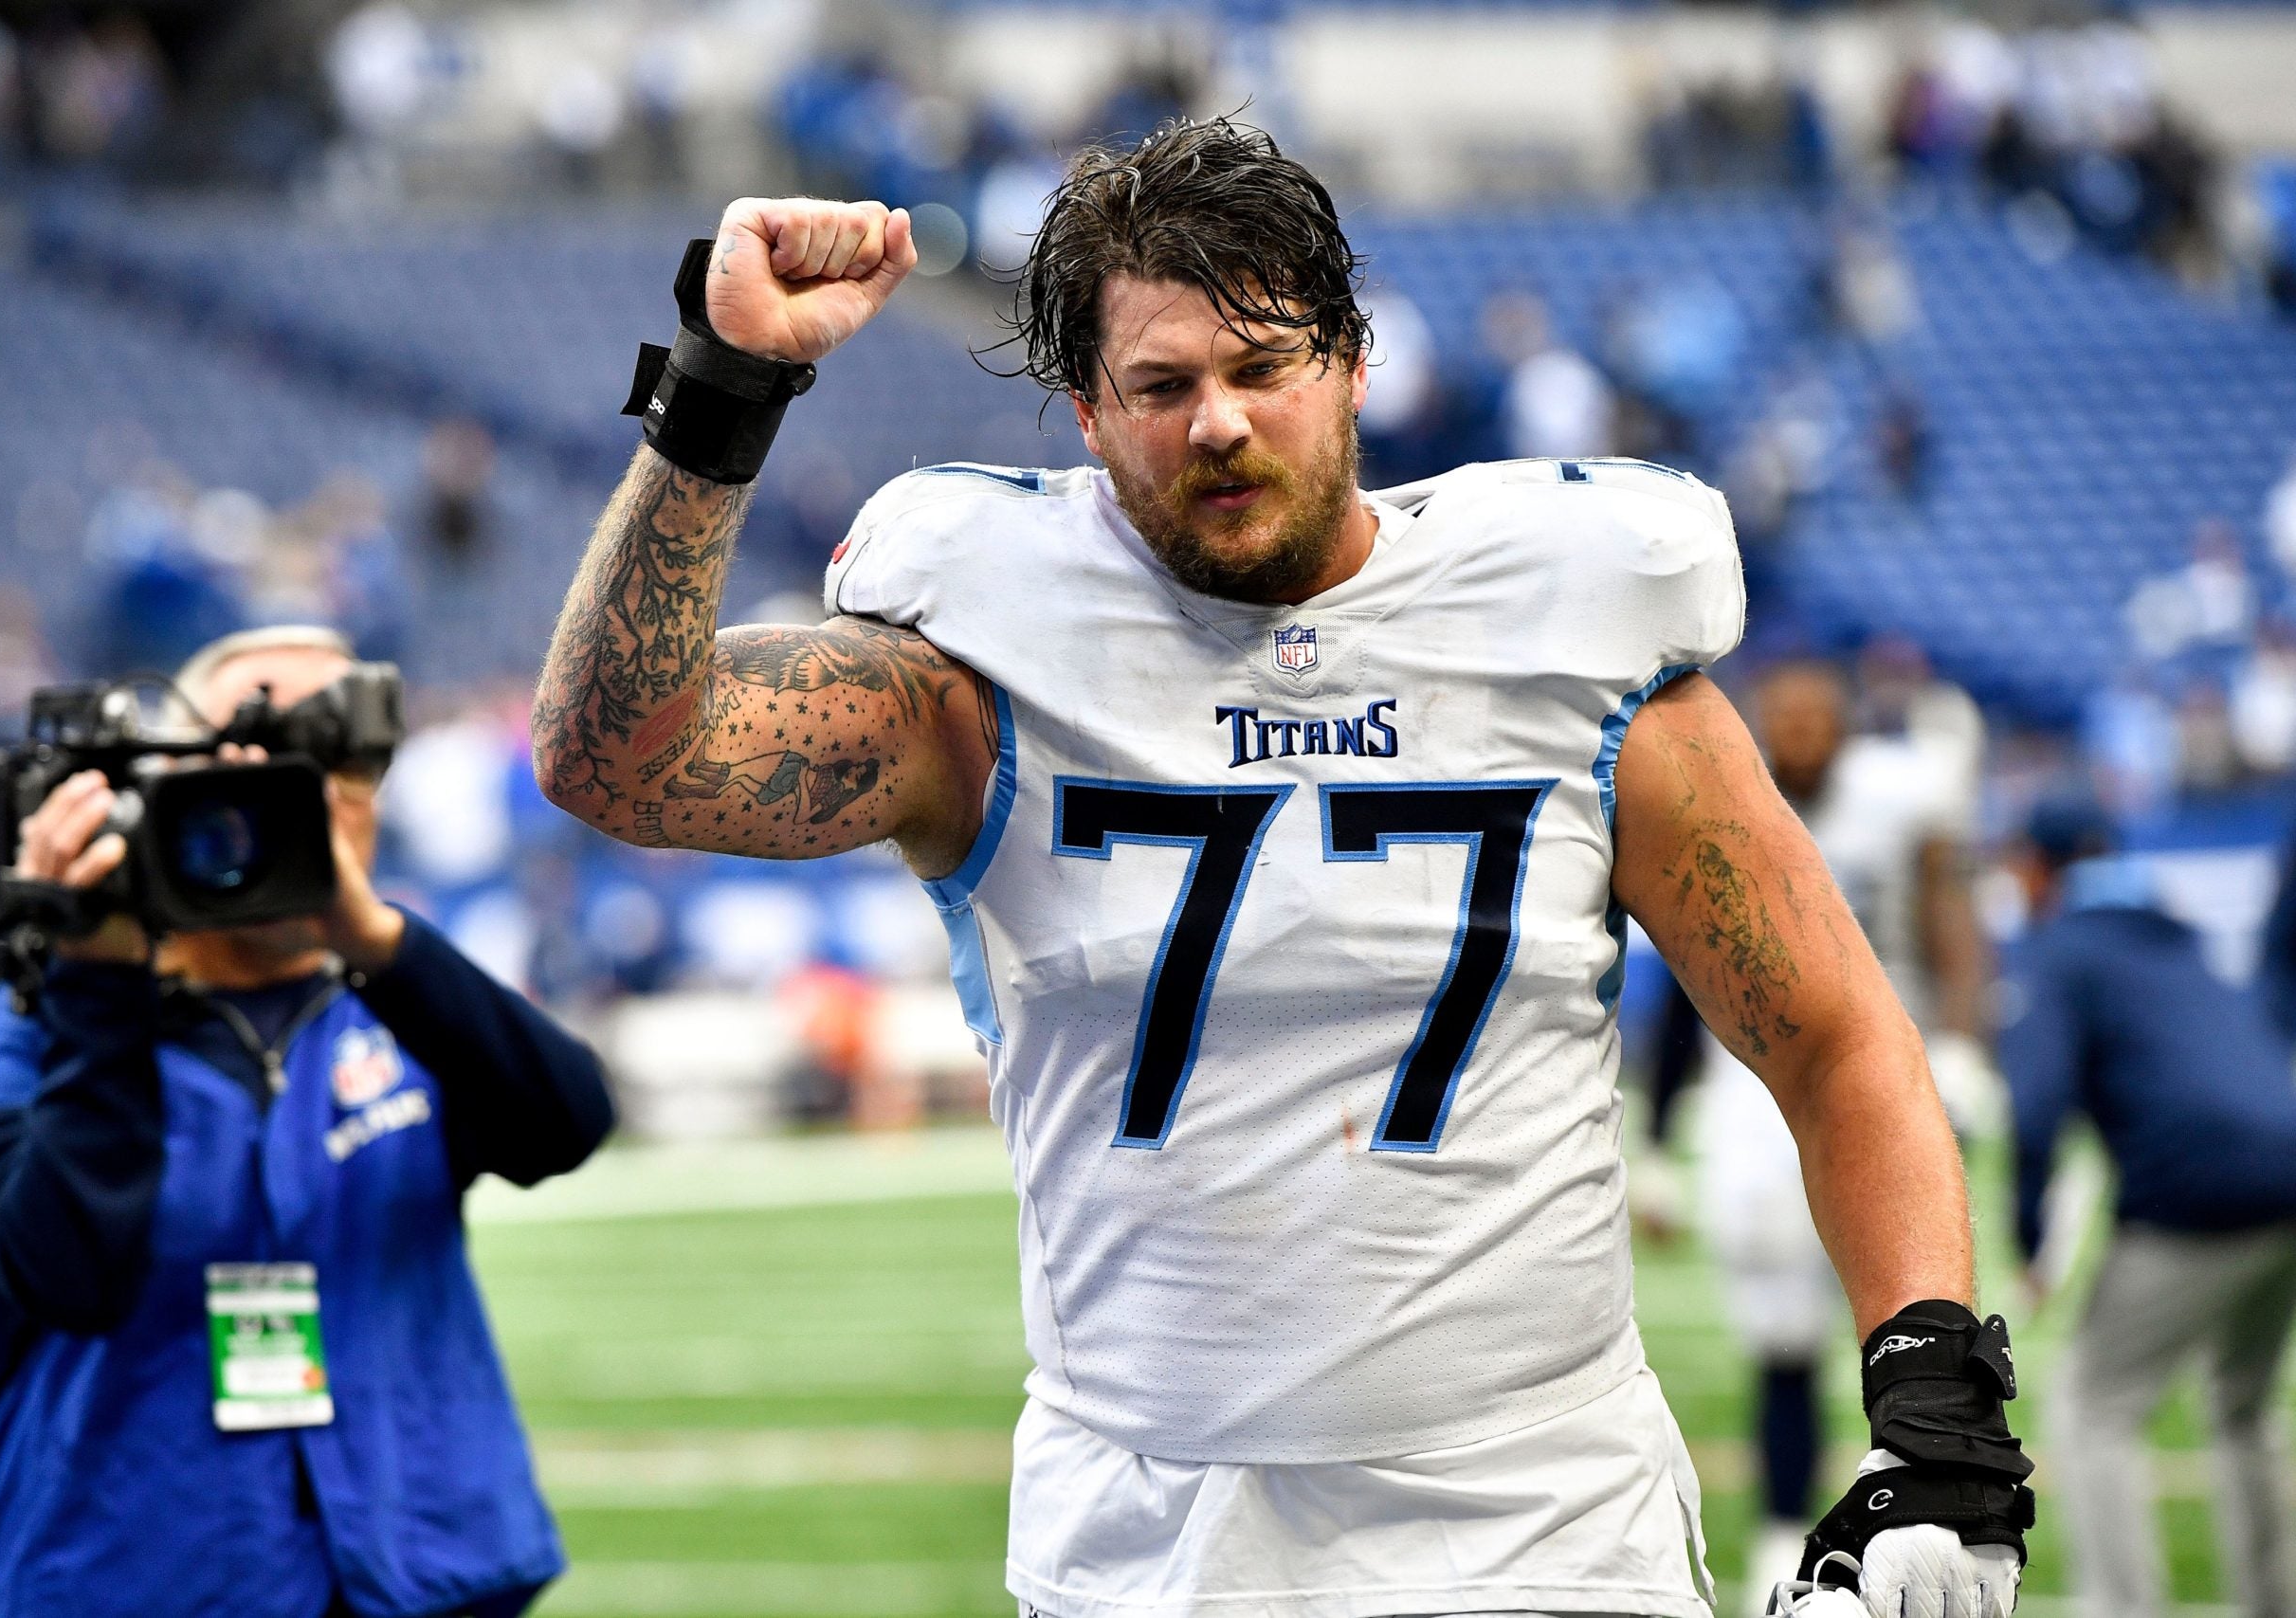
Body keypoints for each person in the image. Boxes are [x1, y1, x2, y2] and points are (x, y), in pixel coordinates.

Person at [532, 118, 2032, 1618]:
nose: (1220, 423)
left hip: (1540, 1523)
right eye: (1163, 385)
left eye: (1264, 366)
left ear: (1354, 364)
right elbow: (615, 754)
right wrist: (727, 383)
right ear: (1088, 415)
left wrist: (1936, 1411)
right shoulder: (978, 681)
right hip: (1147, 1543)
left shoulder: (1562, 642)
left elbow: (1837, 1038)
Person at [0, 626, 616, 1618]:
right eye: (248, 751)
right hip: (130, 1570)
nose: (299, 791)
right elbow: (64, 1273)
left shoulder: (402, 993)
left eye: (342, 753)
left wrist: (376, 940)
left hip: (411, 1566)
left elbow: (564, 1125)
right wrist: (97, 977)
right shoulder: (42, 1017)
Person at [1687, 660, 1994, 1608]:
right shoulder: (1719, 794)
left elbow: (1949, 917)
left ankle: (1912, 1523)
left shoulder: (1898, 801)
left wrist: (1962, 1045)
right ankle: (1785, 1533)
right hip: (1750, 1075)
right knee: (1777, 1320)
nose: (1802, 735)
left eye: (1818, 718)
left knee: (1902, 1318)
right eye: (1784, 718)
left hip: (1880, 1066)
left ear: (1849, 727)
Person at [2001, 794, 2296, 1618]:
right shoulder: (2183, 938)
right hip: (2289, 1177)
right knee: (2243, 1410)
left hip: (2195, 1193)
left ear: (2037, 864)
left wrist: (2029, 1236)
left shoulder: (2061, 949)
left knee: (2095, 1409)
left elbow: (2033, 1107)